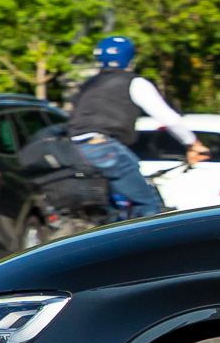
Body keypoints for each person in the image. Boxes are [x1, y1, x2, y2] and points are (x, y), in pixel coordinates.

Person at [67, 37, 198, 221]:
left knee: (109, 213)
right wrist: (193, 143)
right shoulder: (134, 83)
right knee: (149, 204)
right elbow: (169, 118)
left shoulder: (88, 84)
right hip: (103, 147)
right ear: (130, 58)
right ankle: (150, 248)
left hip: (72, 151)